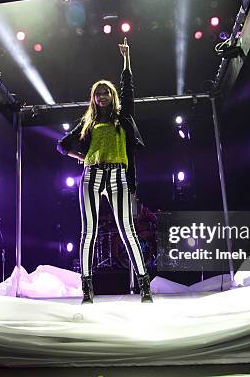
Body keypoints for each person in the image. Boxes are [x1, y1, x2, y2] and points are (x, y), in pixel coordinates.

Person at [57, 37, 153, 303]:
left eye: (106, 92)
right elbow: (62, 145)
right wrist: (82, 157)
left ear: (111, 96)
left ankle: (145, 285)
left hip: (118, 176)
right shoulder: (88, 123)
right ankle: (87, 287)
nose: (102, 97)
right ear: (94, 98)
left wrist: (126, 59)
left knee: (127, 229)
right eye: (98, 93)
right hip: (92, 175)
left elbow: (128, 88)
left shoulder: (123, 117)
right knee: (89, 230)